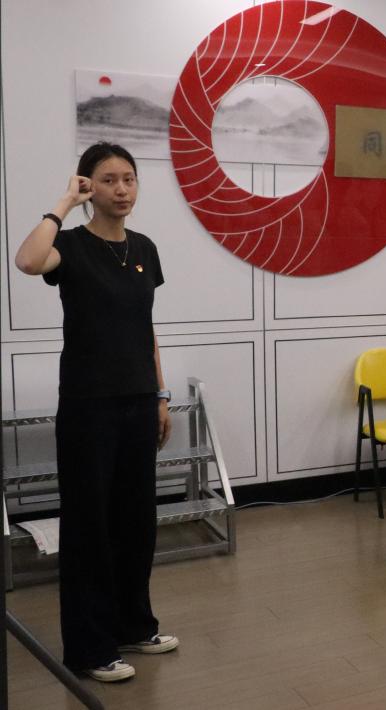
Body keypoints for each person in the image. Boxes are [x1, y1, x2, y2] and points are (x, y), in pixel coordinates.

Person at [13, 142, 177, 683]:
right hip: (89, 407)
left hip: (138, 401)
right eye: (108, 180)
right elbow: (27, 261)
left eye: (129, 178)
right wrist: (63, 202)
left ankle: (133, 625)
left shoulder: (145, 248)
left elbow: (146, 328)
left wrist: (160, 395)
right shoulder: (69, 245)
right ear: (89, 186)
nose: (122, 189)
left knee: (136, 523)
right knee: (90, 528)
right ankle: (89, 649)